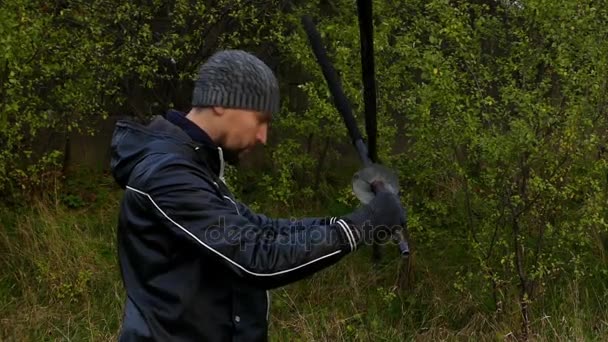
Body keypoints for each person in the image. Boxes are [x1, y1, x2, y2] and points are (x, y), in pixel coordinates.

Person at [110, 49, 405, 341]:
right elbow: (255, 259)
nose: (263, 136)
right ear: (222, 103)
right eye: (260, 119)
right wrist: (360, 226)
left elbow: (264, 230)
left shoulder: (194, 165)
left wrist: (353, 221)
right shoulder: (168, 174)